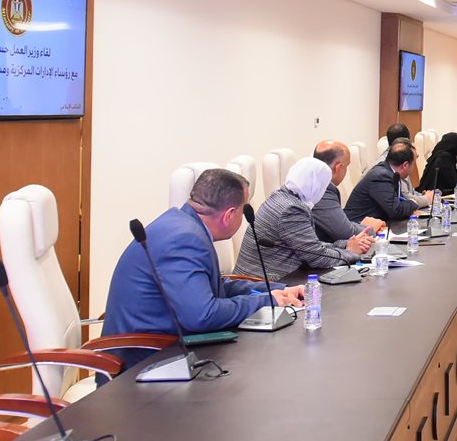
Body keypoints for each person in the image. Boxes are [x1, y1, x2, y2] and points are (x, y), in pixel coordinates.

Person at [104, 168, 304, 366]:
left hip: (170, 347)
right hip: (147, 362)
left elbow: (215, 287)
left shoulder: (183, 225)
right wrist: (266, 301)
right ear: (229, 215)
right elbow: (202, 315)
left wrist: (278, 291)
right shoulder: (183, 238)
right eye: (243, 209)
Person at [235, 158, 370, 278]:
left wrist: (345, 244)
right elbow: (317, 257)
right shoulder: (291, 209)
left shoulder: (283, 196)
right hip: (264, 283)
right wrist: (350, 252)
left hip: (273, 277)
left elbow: (309, 246)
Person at [309, 141, 383, 244]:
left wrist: (360, 225)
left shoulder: (314, 182)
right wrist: (370, 228)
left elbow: (340, 225)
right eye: (346, 166)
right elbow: (346, 233)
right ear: (338, 167)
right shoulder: (321, 190)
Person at [346, 142, 428, 225]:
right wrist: (413, 202)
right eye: (413, 163)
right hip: (358, 227)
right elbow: (396, 210)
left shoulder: (390, 172)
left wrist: (408, 208)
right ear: (405, 165)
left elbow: (400, 201)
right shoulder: (381, 176)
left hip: (376, 224)